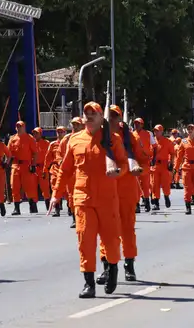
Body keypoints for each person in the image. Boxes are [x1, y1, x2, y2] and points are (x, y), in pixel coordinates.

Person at [50, 102, 127, 298]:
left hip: (107, 198)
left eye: (94, 114)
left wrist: (117, 171)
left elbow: (124, 163)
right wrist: (56, 195)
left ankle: (112, 269)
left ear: (102, 118)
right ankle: (89, 283)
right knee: (85, 240)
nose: (90, 116)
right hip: (82, 198)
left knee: (110, 240)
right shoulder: (74, 140)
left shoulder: (112, 139)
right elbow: (65, 170)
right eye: (87, 114)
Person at [97, 105, 142, 283]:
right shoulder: (98, 135)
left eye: (115, 116)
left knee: (127, 229)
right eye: (109, 116)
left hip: (126, 189)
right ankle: (107, 267)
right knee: (106, 229)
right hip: (106, 187)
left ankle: (129, 264)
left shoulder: (129, 137)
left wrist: (139, 169)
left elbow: (142, 160)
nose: (112, 119)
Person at [8, 121, 39, 215]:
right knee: (14, 186)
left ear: (24, 127)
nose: (19, 128)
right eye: (17, 126)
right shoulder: (12, 139)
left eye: (20, 126)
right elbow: (8, 153)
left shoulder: (30, 138)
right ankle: (16, 208)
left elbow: (35, 153)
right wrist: (6, 163)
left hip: (26, 165)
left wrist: (33, 165)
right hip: (15, 165)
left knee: (29, 186)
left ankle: (32, 204)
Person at [32, 127, 51, 210]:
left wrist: (48, 167)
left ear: (40, 134)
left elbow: (50, 155)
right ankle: (33, 207)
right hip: (34, 168)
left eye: (37, 133)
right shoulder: (31, 143)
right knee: (32, 187)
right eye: (34, 133)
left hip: (43, 168)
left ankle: (48, 206)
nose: (35, 135)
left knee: (45, 187)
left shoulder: (46, 143)